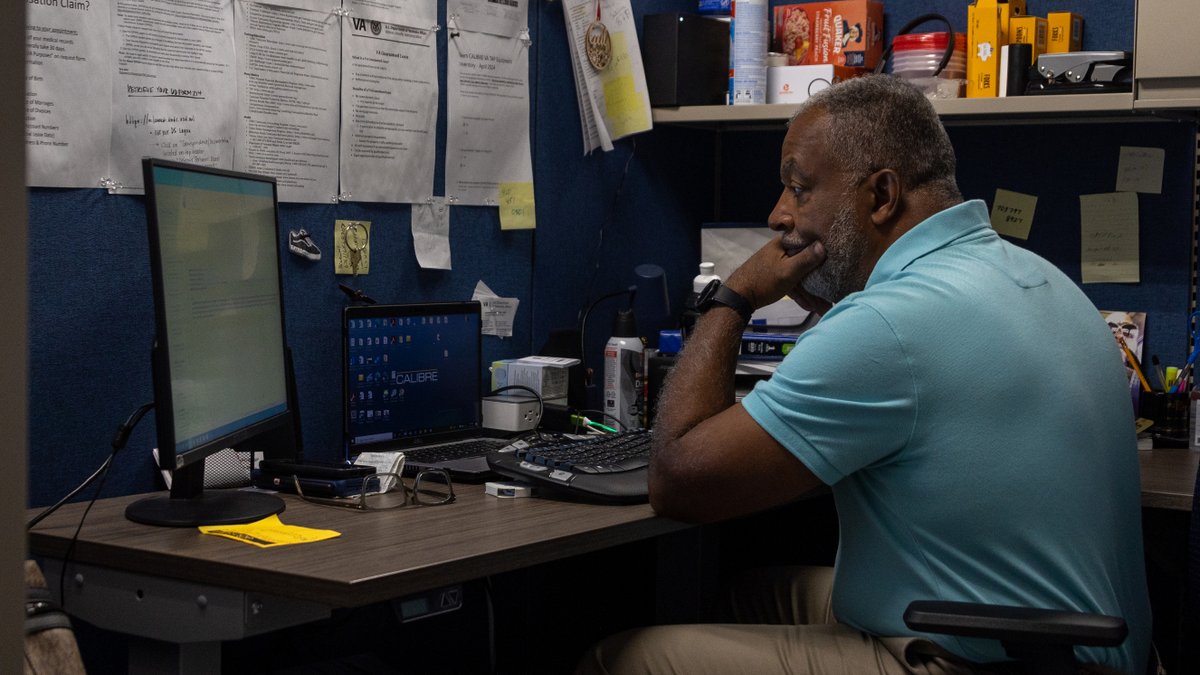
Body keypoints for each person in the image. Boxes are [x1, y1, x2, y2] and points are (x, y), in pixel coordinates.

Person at [577, 75, 1151, 675]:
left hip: (979, 657)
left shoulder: (891, 322)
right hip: (1076, 643)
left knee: (623, 660)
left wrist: (734, 296)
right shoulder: (1039, 277)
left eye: (799, 189)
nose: (778, 215)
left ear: (881, 194)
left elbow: (681, 481)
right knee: (751, 593)